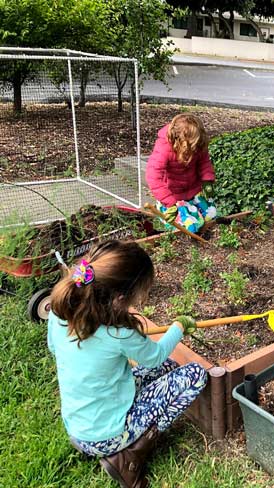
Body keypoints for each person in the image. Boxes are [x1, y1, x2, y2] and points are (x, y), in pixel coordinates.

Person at [47, 240, 206, 488]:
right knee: (194, 374)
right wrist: (179, 327)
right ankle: (129, 456)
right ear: (120, 299)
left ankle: (118, 439)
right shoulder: (118, 334)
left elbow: (54, 348)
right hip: (106, 436)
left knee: (170, 368)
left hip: (78, 427)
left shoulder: (59, 315)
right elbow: (155, 356)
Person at [146, 113, 218, 233]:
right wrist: (169, 203)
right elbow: (153, 176)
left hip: (193, 191)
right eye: (193, 146)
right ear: (181, 141)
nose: (196, 149)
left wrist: (207, 180)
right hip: (174, 197)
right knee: (192, 226)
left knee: (212, 216)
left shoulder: (197, 144)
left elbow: (204, 161)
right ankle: (170, 214)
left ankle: (194, 212)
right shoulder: (164, 148)